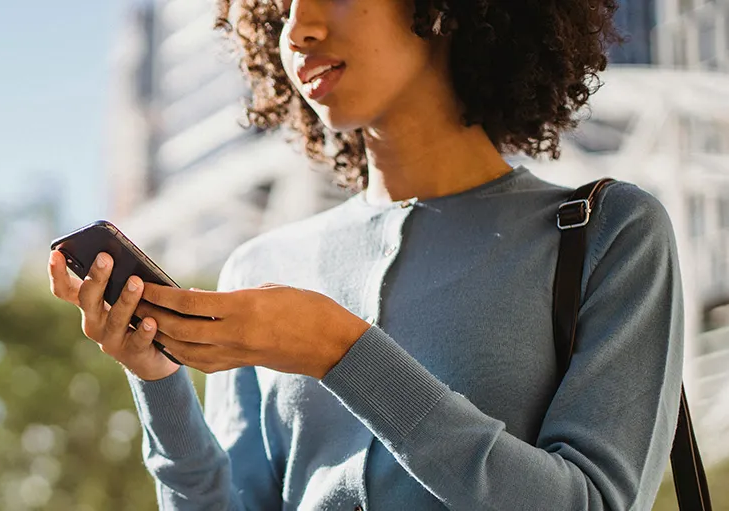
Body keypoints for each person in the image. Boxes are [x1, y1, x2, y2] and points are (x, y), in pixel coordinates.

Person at [48, 0, 683, 508]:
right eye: (280, 6)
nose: (299, 28)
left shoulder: (607, 233)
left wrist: (341, 352)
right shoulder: (259, 269)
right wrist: (157, 381)